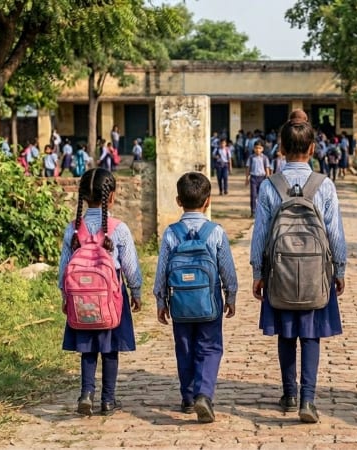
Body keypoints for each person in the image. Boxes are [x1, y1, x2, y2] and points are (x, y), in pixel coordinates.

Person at [250, 119, 347, 424]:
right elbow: (335, 232)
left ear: (280, 149)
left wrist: (258, 271)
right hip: (316, 272)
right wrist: (339, 268)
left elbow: (261, 233)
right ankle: (308, 399)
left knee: (286, 334)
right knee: (311, 335)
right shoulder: (324, 184)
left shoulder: (270, 185)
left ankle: (289, 393)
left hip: (280, 271)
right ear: (312, 149)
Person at [153, 172, 238, 423]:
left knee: (185, 349)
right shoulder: (215, 232)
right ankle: (204, 394)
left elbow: (162, 271)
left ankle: (188, 398)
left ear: (178, 201)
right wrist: (230, 295)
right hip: (209, 302)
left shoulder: (171, 233)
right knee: (210, 348)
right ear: (208, 201)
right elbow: (227, 270)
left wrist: (161, 301)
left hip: (180, 304)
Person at [58, 168, 143, 416]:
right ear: (113, 196)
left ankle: (86, 393)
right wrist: (136, 291)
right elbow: (130, 265)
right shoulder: (119, 229)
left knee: (87, 348)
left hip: (80, 299)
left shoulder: (73, 229)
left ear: (83, 197)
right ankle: (108, 400)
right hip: (111, 297)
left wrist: (66, 295)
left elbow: (64, 268)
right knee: (110, 349)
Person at [245, 139, 271, 218]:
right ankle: (253, 212)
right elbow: (248, 168)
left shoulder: (265, 158)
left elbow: (267, 169)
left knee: (262, 196)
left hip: (262, 178)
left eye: (259, 148)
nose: (258, 150)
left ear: (262, 149)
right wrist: (247, 178)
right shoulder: (251, 158)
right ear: (253, 148)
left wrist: (268, 178)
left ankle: (262, 212)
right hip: (253, 178)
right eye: (256, 148)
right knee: (253, 195)